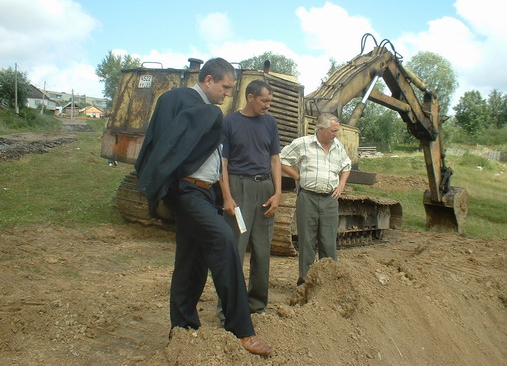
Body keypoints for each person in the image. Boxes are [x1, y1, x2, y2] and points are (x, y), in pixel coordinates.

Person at [134, 58, 273, 357]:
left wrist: (220, 192)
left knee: (191, 261)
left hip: (205, 193)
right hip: (185, 190)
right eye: (225, 87)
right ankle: (242, 329)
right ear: (208, 80)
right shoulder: (178, 100)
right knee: (224, 241)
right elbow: (162, 146)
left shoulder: (208, 114)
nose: (227, 93)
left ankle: (182, 327)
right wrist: (163, 187)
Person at [219, 80, 281, 317]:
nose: (268, 105)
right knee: (235, 249)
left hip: (265, 188)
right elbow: (222, 163)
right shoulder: (230, 122)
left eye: (270, 101)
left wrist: (277, 192)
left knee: (262, 250)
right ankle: (228, 309)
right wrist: (226, 196)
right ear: (251, 97)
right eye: (264, 101)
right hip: (239, 187)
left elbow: (275, 159)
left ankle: (257, 305)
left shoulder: (270, 123)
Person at [279, 113, 351, 286]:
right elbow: (281, 160)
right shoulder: (302, 143)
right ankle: (306, 282)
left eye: (337, 131)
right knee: (307, 241)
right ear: (321, 129)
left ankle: (328, 284)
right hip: (308, 198)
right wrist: (297, 176)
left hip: (329, 200)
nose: (336, 134)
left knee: (328, 242)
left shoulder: (338, 146)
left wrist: (341, 185)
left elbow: (346, 165)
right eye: (333, 130)